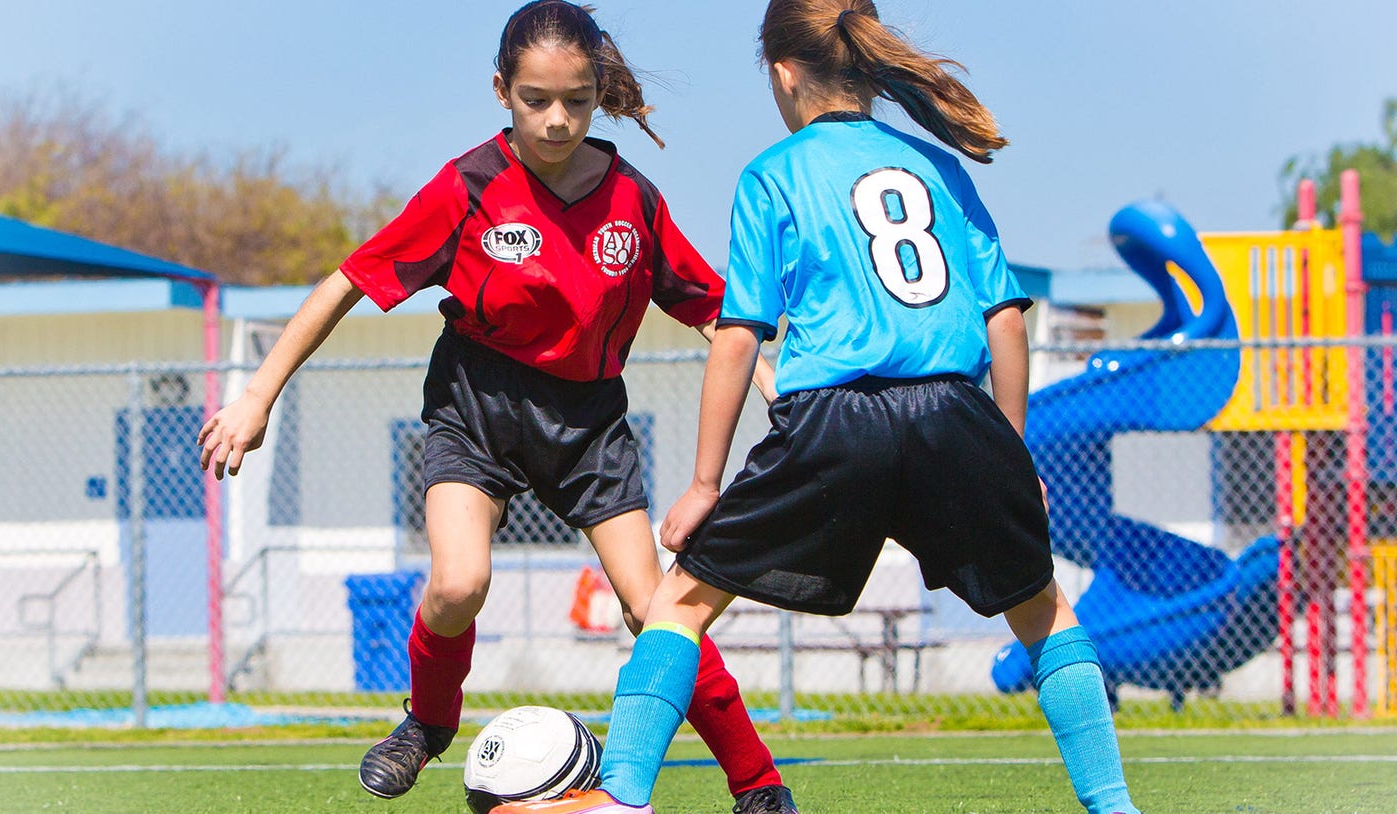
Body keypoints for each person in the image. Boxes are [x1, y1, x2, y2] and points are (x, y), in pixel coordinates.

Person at [493, 2, 1144, 813]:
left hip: (834, 421)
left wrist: (703, 483)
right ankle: (1114, 805)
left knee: (681, 603)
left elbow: (737, 339)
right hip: (953, 414)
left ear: (783, 71)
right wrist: (1010, 453)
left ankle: (622, 795)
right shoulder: (938, 167)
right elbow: (1005, 318)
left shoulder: (775, 173)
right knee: (1044, 611)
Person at [195, 3, 798, 812]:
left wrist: (776, 383)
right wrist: (256, 395)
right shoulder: (467, 188)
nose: (557, 120)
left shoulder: (632, 199)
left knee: (656, 610)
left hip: (588, 426)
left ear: (597, 93)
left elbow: (711, 307)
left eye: (576, 101)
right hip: (476, 409)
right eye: (535, 100)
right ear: (501, 92)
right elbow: (347, 281)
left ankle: (757, 784)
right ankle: (426, 725)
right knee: (457, 585)